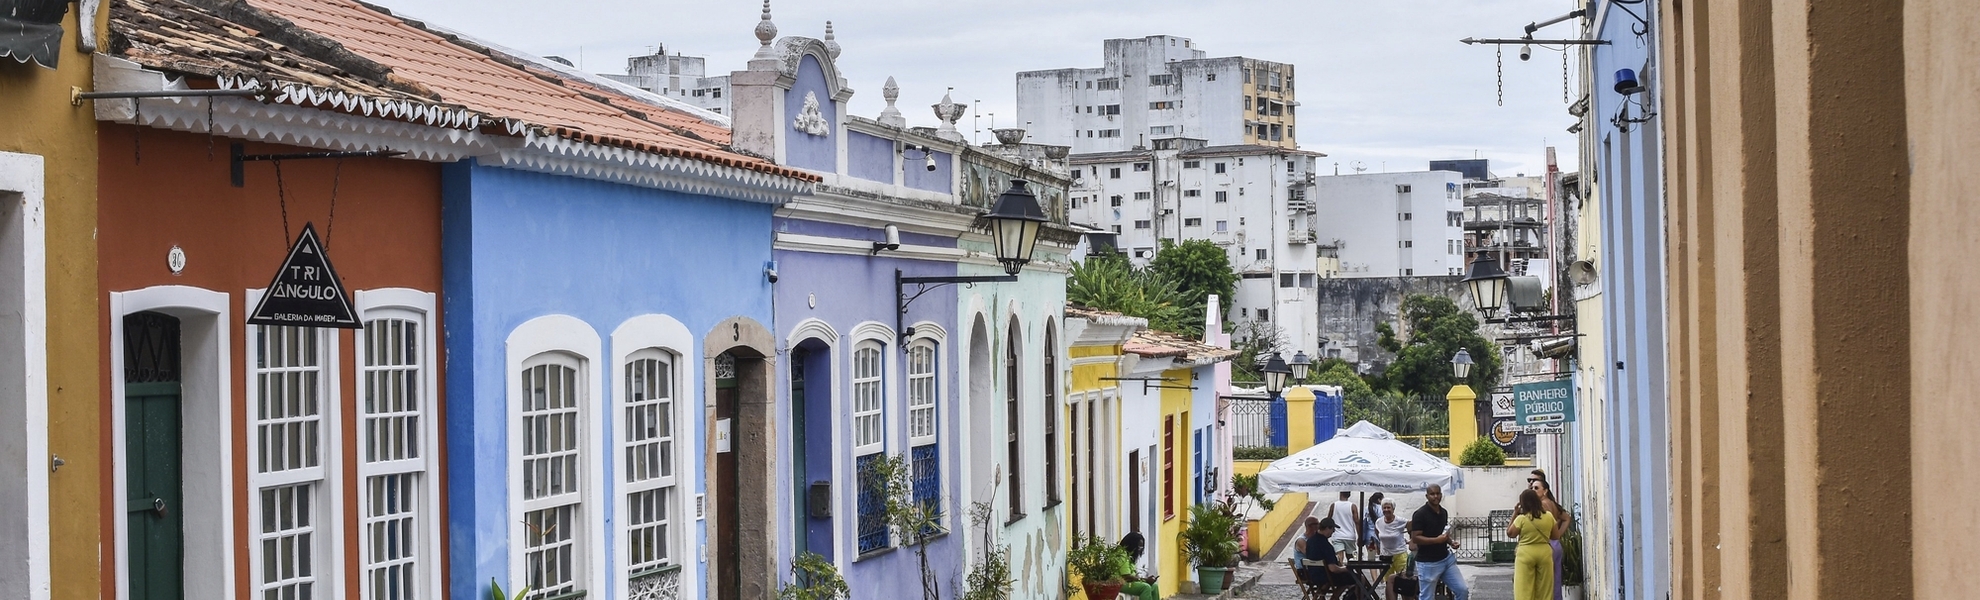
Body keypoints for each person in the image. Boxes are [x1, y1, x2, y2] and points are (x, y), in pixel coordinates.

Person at [1409, 484, 1469, 600]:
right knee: (1427, 597)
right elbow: (1416, 538)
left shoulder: (1443, 512)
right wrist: (1436, 540)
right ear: (1427, 496)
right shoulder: (1420, 514)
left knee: (1462, 590)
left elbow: (1443, 534)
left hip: (1446, 559)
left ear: (1441, 494)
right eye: (1432, 494)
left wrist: (1451, 542)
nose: (1435, 496)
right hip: (1428, 563)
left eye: (1438, 493)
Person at [1507, 489, 1557, 600]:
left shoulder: (1522, 519)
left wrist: (1515, 512)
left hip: (1525, 554)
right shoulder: (1548, 516)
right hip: (1544, 553)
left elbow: (1510, 533)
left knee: (1524, 587)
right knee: (1545, 588)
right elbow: (1555, 536)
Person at [1530, 471, 1571, 600]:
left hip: (1546, 544)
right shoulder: (1552, 503)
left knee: (1545, 580)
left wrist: (1555, 535)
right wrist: (1558, 535)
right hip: (1556, 545)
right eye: (1532, 488)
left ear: (1545, 491)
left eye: (1536, 488)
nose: (1533, 490)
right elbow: (1566, 518)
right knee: (1556, 578)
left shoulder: (1542, 505)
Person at [1306, 517, 1360, 600]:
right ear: (1328, 528)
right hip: (1327, 576)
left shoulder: (1310, 541)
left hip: (1313, 575)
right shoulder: (1326, 546)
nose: (1334, 531)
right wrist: (1347, 568)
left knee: (1347, 578)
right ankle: (1335, 598)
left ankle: (1326, 596)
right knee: (1358, 578)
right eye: (1333, 529)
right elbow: (1333, 569)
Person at [1373, 500, 1412, 600]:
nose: (1386, 510)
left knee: (1404, 583)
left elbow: (1411, 526)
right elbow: (1377, 533)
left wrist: (1411, 540)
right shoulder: (1379, 522)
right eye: (1384, 508)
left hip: (1400, 554)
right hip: (1385, 556)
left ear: (1393, 509)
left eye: (1388, 507)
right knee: (1389, 584)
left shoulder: (1400, 521)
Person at [1116, 532, 1159, 600]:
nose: (1140, 549)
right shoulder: (1121, 554)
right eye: (1138, 547)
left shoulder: (1129, 555)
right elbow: (1126, 576)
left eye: (1141, 547)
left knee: (1154, 586)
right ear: (1132, 545)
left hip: (1129, 582)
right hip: (1120, 583)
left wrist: (1146, 580)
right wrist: (1145, 580)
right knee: (1145, 587)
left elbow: (1133, 575)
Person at [1328, 491, 1363, 559]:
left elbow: (1328, 520)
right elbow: (1357, 522)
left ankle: (1340, 565)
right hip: (1350, 536)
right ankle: (1353, 565)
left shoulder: (1334, 505)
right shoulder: (1353, 506)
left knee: (1339, 556)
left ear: (1340, 493)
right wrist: (1360, 536)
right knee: (1352, 558)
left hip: (1337, 535)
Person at [1362, 492, 1386, 557]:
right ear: (1379, 500)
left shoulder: (1366, 508)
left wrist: (1362, 537)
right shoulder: (1381, 509)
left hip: (1368, 535)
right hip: (1379, 534)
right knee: (1380, 557)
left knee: (1371, 557)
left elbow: (1364, 523)